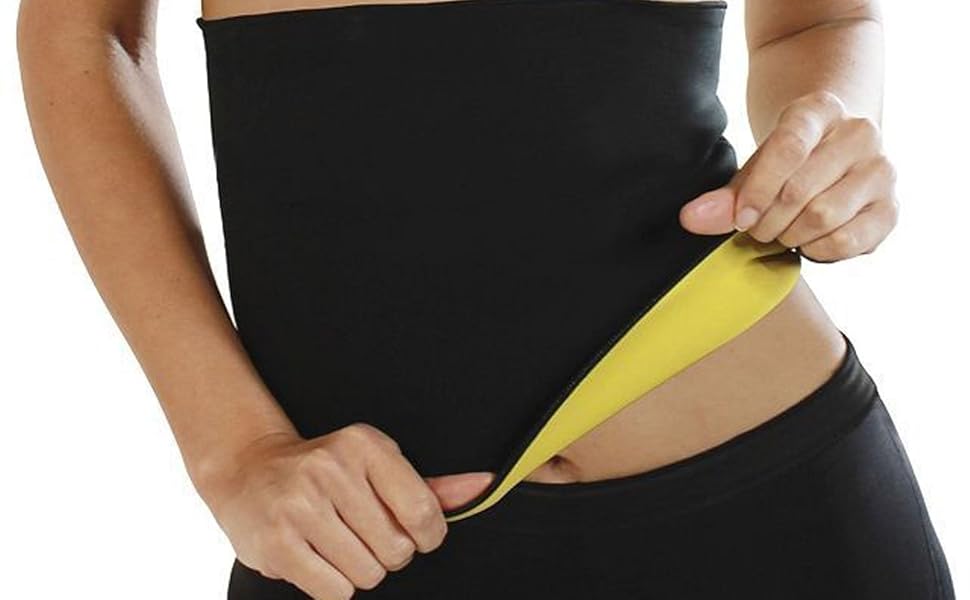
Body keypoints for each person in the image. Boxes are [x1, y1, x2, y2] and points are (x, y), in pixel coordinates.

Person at [17, 0, 954, 598]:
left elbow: (816, 21)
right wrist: (231, 448)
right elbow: (82, 32)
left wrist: (828, 131)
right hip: (363, 536)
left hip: (778, 501)